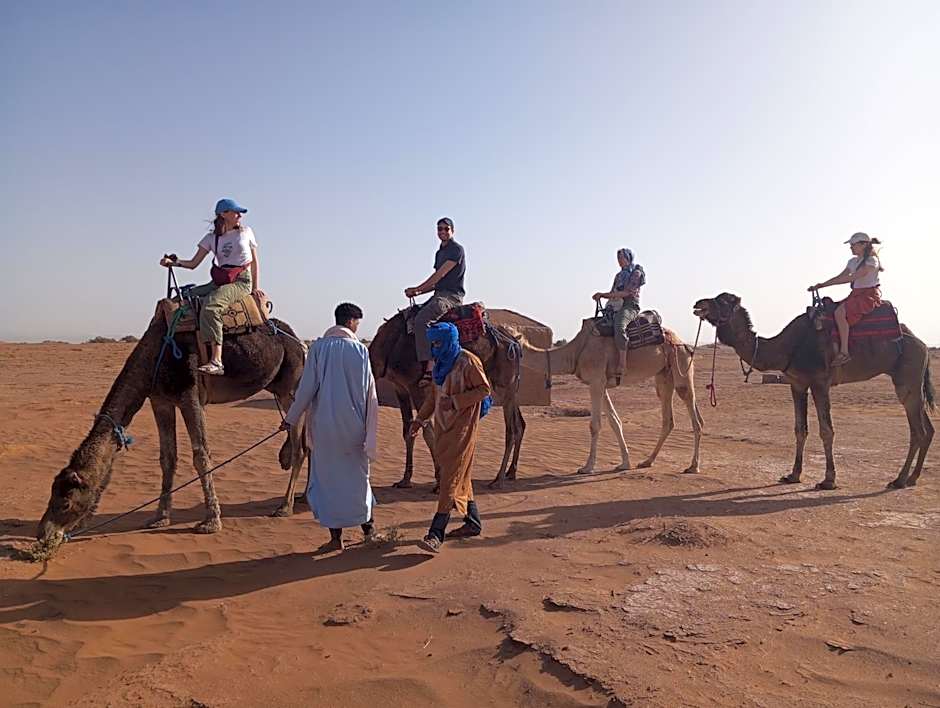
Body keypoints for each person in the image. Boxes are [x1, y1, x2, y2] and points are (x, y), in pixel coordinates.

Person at [280, 303, 379, 552]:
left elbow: (306, 389)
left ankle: (336, 539)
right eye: (358, 322)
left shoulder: (318, 349)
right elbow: (370, 394)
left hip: (324, 428)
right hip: (354, 427)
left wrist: (290, 418)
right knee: (358, 479)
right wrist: (370, 429)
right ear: (352, 321)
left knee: (329, 482)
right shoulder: (360, 351)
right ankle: (369, 529)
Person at [408, 322, 492, 554]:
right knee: (458, 474)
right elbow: (433, 398)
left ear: (449, 341)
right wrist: (419, 420)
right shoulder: (439, 366)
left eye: (439, 343)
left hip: (463, 428)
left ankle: (436, 533)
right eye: (432, 343)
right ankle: (473, 522)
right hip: (443, 429)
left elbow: (484, 390)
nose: (435, 347)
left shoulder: (468, 361)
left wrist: (456, 401)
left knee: (449, 479)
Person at [160, 198, 265, 375]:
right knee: (179, 299)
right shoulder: (211, 238)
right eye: (236, 212)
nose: (240, 215)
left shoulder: (246, 232)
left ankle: (216, 361)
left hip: (241, 281)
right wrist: (173, 263)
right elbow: (193, 263)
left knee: (211, 306)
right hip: (219, 280)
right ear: (223, 214)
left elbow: (255, 262)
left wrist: (255, 288)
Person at [404, 217, 466, 384]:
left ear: (452, 230)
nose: (443, 232)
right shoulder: (440, 253)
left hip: (451, 297)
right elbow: (437, 283)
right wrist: (418, 292)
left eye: (446, 229)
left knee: (422, 320)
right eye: (439, 229)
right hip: (439, 294)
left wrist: (417, 289)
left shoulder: (456, 250)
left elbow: (440, 275)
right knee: (407, 316)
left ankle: (429, 367)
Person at [809, 232, 884, 367]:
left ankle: (844, 352)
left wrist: (824, 285)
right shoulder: (853, 262)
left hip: (868, 295)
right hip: (855, 294)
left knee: (839, 313)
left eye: (853, 245)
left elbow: (851, 277)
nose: (851, 247)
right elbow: (841, 276)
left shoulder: (871, 261)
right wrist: (821, 285)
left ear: (863, 245)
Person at [592, 248, 646, 380]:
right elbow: (614, 292)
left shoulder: (636, 273)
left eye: (621, 258)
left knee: (619, 325)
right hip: (616, 304)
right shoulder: (619, 275)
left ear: (628, 258)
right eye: (618, 258)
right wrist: (606, 301)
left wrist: (604, 295)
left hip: (630, 305)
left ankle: (622, 364)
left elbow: (627, 293)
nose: (619, 261)